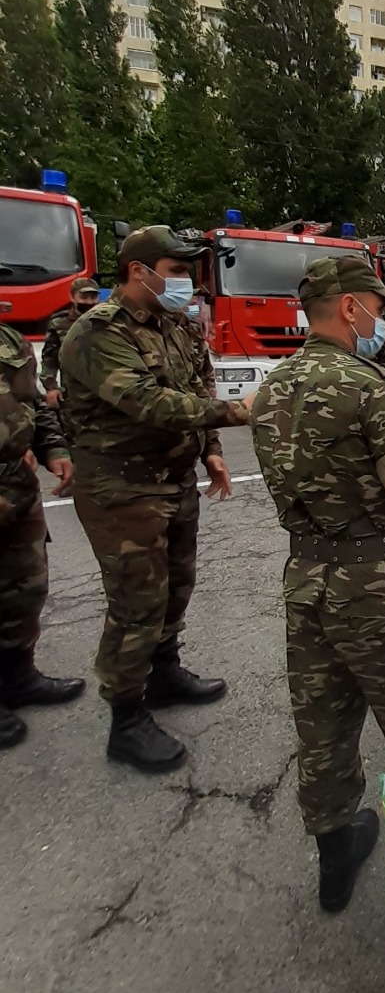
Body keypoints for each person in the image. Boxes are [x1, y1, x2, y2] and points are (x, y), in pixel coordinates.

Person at [251, 256, 385, 914]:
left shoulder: (272, 388)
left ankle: (335, 861)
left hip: (307, 581)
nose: (383, 316)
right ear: (349, 308)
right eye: (378, 305)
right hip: (378, 586)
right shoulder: (369, 388)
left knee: (324, 728)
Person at [60, 226, 250, 773]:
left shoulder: (177, 326)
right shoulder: (97, 332)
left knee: (175, 589)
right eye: (177, 271)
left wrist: (212, 450)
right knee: (136, 602)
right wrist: (240, 413)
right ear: (138, 272)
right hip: (122, 488)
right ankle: (126, 718)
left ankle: (163, 674)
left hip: (174, 479)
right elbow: (148, 402)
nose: (188, 282)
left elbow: (198, 387)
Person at [0, 305, 83, 749]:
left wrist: (54, 449)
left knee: (25, 586)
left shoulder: (8, 340)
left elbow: (31, 401)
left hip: (17, 484)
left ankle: (18, 677)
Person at [40, 277, 100, 407]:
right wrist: (51, 388)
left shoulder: (108, 322)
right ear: (72, 298)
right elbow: (50, 358)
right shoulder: (59, 323)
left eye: (93, 297)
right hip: (73, 395)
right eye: (84, 297)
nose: (89, 302)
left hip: (104, 394)